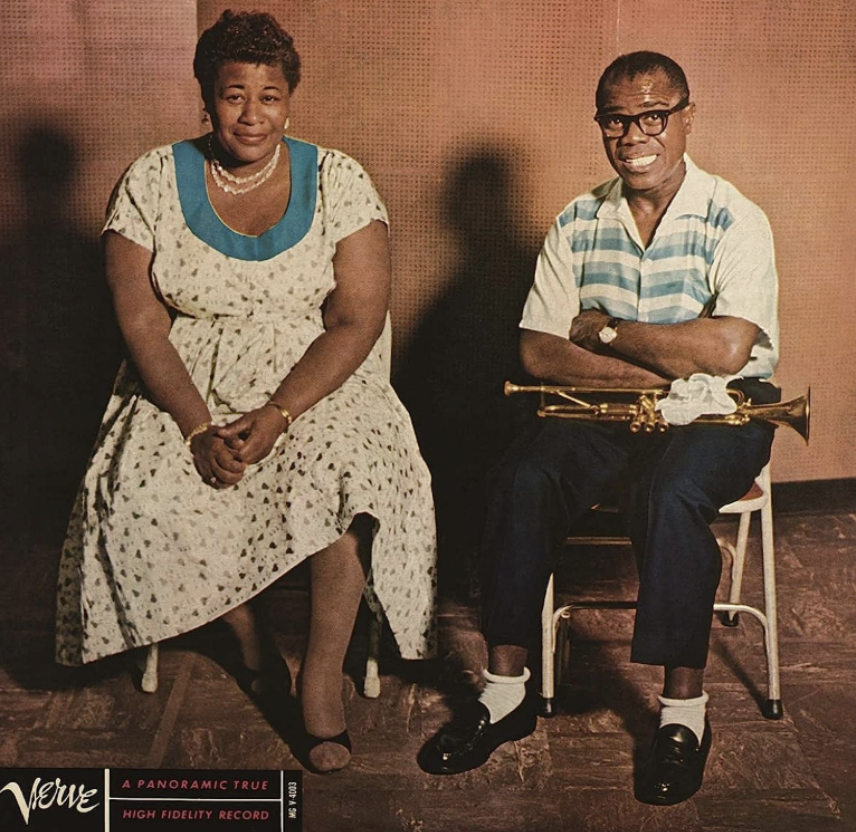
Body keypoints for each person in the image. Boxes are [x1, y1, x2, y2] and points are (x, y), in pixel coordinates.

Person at [55, 10, 436, 775]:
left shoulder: (339, 180)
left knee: (346, 474)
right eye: (234, 96)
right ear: (206, 99)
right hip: (187, 377)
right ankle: (250, 641)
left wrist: (279, 413)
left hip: (317, 377)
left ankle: (319, 679)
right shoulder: (150, 181)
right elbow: (142, 321)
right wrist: (198, 426)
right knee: (141, 484)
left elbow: (356, 320)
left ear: (289, 100)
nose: (252, 114)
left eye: (269, 96)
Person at [418, 51, 779, 805]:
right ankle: (505, 694)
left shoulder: (735, 216)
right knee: (522, 475)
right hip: (611, 406)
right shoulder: (577, 220)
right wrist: (663, 372)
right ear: (601, 126)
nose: (634, 135)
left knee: (671, 493)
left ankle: (682, 715)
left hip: (725, 406)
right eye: (616, 120)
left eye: (653, 116)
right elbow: (537, 350)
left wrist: (606, 331)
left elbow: (726, 351)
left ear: (687, 117)